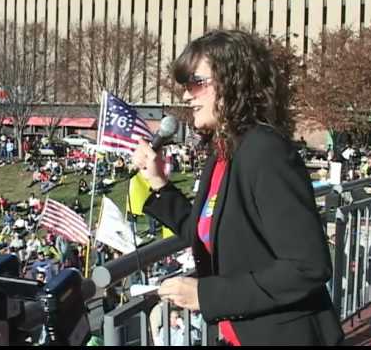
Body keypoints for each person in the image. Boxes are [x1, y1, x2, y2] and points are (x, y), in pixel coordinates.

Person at [132, 29, 343, 346]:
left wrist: (206, 295)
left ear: (234, 84)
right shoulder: (223, 153)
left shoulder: (265, 152)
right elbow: (206, 233)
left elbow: (308, 267)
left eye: (196, 83)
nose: (187, 96)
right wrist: (159, 182)